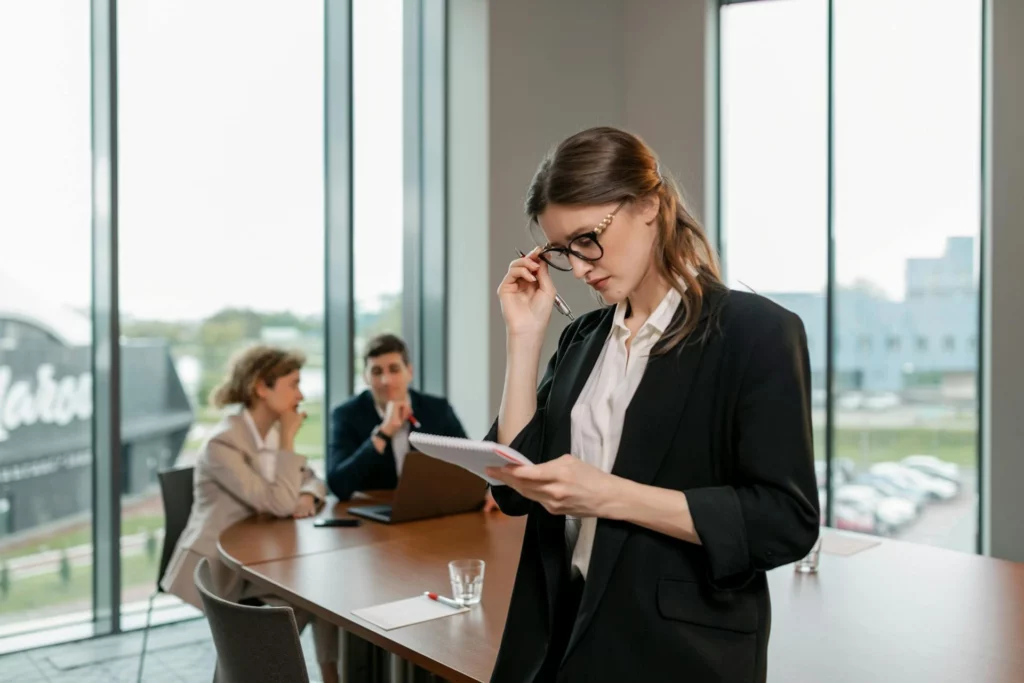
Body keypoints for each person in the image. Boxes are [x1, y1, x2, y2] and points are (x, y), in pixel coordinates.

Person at [484, 127, 819, 683]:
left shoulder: (756, 333)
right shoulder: (583, 338)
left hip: (676, 654)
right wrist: (524, 337)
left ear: (650, 205)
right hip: (556, 641)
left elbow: (785, 521)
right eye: (565, 251)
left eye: (588, 238)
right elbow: (512, 491)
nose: (583, 265)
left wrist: (612, 496)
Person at [160, 346, 341, 683]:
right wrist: (289, 440)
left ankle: (332, 675)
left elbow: (314, 479)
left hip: (263, 558)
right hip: (220, 569)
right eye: (294, 384)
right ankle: (243, 673)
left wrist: (305, 492)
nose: (301, 395)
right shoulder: (222, 445)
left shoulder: (270, 434)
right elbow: (277, 504)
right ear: (262, 387)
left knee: (322, 595)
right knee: (309, 600)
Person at [327, 333, 495, 509]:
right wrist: (383, 433)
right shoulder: (346, 414)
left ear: (409, 372)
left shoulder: (437, 409)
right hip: (374, 517)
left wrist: (487, 489)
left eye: (394, 369)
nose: (386, 380)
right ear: (366, 377)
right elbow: (338, 485)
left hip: (431, 509)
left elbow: (469, 462)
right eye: (377, 372)